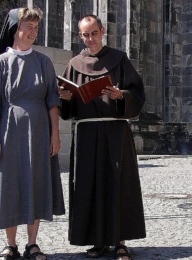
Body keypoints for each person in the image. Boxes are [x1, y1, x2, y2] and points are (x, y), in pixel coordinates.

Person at [58, 14, 146, 260]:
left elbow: (137, 94)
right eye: (85, 35)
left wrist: (121, 95)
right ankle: (96, 241)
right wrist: (65, 99)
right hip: (86, 133)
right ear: (80, 36)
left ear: (102, 31)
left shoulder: (118, 59)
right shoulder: (74, 63)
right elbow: (68, 108)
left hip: (115, 132)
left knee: (117, 185)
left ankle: (119, 241)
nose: (90, 38)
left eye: (94, 33)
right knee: (89, 186)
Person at [0, 7, 64, 260]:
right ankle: (11, 245)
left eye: (36, 27)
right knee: (9, 184)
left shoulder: (43, 62)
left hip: (39, 131)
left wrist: (55, 134)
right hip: (9, 131)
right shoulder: (0, 63)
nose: (33, 31)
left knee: (36, 181)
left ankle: (32, 243)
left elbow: (52, 100)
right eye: (29, 26)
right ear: (16, 28)